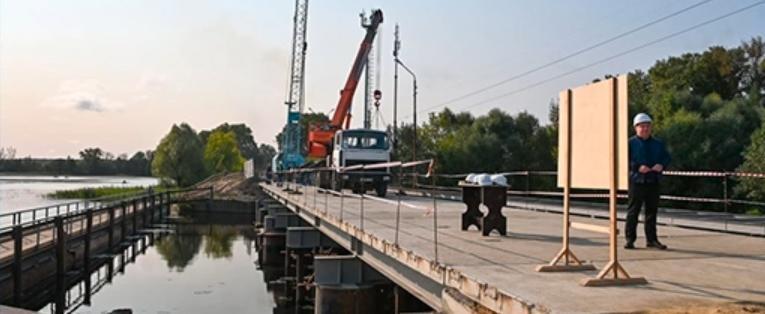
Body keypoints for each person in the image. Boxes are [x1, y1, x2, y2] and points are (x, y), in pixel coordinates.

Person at [625, 113, 670, 250]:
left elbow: (666, 157)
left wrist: (661, 165)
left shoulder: (658, 143)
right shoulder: (630, 143)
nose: (645, 129)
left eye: (647, 126)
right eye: (642, 126)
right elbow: (624, 160)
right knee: (633, 211)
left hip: (653, 181)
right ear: (636, 128)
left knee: (652, 212)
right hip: (636, 181)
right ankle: (630, 239)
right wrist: (637, 167)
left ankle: (652, 240)